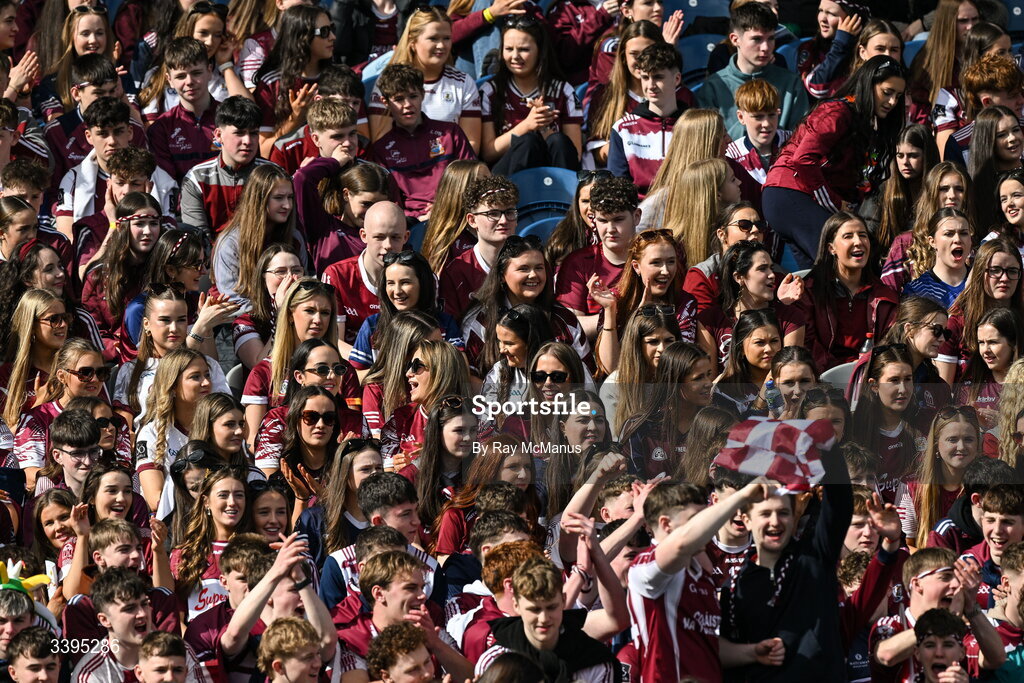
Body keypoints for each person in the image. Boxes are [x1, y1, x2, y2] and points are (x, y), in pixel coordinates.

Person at [720, 420, 854, 681]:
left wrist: (831, 453)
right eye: (765, 514)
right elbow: (728, 656)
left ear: (794, 518)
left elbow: (839, 504)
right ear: (746, 520)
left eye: (783, 513)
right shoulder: (735, 586)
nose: (775, 521)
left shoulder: (815, 557)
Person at [763, 56, 907, 267]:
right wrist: (835, 203)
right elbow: (803, 160)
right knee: (840, 262)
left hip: (799, 196)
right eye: (887, 92)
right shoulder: (837, 112)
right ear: (868, 85)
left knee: (817, 278)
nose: (893, 102)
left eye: (898, 96)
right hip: (790, 192)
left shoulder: (866, 123)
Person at [794, 212, 898, 371]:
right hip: (821, 377)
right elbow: (806, 343)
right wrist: (839, 372)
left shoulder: (884, 296)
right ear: (831, 248)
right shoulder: (809, 291)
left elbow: (890, 343)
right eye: (848, 236)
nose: (858, 242)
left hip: (869, 375)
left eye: (863, 235)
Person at [369, 64, 475, 220]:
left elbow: (472, 178)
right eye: (399, 99)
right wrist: (414, 217)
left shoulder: (451, 133)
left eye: (413, 96)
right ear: (385, 102)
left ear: (423, 95)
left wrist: (448, 204)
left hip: (455, 212)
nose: (407, 104)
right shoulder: (381, 149)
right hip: (410, 223)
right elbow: (386, 201)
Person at [367, 9, 481, 152]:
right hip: (401, 169)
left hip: (449, 168)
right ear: (412, 42)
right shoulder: (388, 81)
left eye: (446, 38)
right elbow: (381, 142)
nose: (441, 45)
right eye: (433, 38)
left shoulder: (463, 82)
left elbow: (471, 145)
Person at [478, 17, 583, 174]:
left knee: (558, 140)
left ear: (540, 51)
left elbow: (576, 154)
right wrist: (527, 125)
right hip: (506, 179)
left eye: (524, 50)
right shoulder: (490, 90)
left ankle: (561, 197)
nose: (514, 56)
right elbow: (488, 153)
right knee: (527, 141)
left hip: (552, 175)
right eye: (508, 49)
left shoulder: (562, 90)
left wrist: (543, 126)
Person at [699, 2, 807, 141]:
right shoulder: (713, 87)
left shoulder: (791, 84)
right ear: (735, 39)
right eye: (757, 39)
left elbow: (800, 141)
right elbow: (708, 144)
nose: (765, 47)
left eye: (771, 39)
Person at [321, 201, 409, 360]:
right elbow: (334, 342)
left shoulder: (419, 277)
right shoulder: (337, 275)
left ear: (406, 237)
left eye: (395, 237)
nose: (388, 245)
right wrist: (373, 368)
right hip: (353, 370)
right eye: (379, 237)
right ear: (363, 235)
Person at [211, 164, 307, 309]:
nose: (287, 205)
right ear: (259, 199)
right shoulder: (231, 243)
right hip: (242, 324)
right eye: (279, 198)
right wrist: (275, 311)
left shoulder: (295, 238)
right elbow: (233, 301)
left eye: (290, 197)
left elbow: (303, 287)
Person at [180, 95, 274, 237]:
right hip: (211, 257)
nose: (248, 141)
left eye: (254, 133)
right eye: (239, 133)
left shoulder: (274, 176)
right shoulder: (196, 178)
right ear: (218, 135)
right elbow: (198, 240)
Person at [252, 6, 335, 157]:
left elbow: (361, 140)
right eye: (324, 32)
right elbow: (262, 151)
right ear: (301, 37)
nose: (332, 37)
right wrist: (295, 119)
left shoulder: (338, 79)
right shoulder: (272, 83)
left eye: (332, 28)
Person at [607, 42, 686, 195]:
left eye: (658, 77)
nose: (650, 85)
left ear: (677, 79)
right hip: (639, 215)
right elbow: (617, 187)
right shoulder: (623, 128)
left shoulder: (697, 125)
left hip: (686, 211)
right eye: (645, 77)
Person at [438, 176, 516, 320]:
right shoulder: (456, 272)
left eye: (510, 212)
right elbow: (450, 329)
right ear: (472, 220)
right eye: (493, 214)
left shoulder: (533, 263)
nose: (504, 220)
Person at [145, 38, 222, 183]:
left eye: (196, 73)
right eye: (181, 76)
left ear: (209, 71)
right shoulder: (161, 129)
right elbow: (167, 186)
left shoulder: (232, 118)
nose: (189, 81)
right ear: (169, 80)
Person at [726, 79, 793, 187]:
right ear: (741, 117)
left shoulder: (794, 142)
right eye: (758, 117)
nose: (766, 124)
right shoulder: (731, 156)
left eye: (771, 115)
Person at [796, 0, 868, 99]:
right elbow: (816, 88)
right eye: (821, 10)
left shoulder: (867, 50)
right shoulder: (810, 48)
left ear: (853, 19)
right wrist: (840, 45)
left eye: (831, 14)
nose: (822, 19)